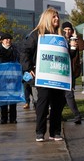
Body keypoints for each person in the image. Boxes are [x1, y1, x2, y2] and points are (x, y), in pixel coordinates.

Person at [20, 7, 66, 142]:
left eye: (57, 16)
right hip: (43, 76)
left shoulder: (60, 37)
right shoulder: (36, 35)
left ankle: (55, 132)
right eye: (54, 17)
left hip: (58, 75)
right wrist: (28, 68)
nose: (57, 19)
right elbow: (25, 52)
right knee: (43, 103)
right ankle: (40, 132)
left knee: (58, 104)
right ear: (47, 18)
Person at [61, 22, 84, 124]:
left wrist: (76, 37)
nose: (67, 32)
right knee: (63, 95)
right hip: (61, 70)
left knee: (68, 94)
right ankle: (59, 114)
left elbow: (83, 46)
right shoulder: (60, 40)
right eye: (65, 30)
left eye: (69, 30)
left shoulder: (74, 39)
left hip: (70, 72)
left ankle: (77, 115)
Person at [0, 33, 19, 124]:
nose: (8, 41)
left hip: (12, 77)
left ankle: (13, 118)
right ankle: (3, 118)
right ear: (2, 41)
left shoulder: (15, 50)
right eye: (6, 39)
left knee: (13, 98)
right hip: (1, 78)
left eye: (9, 39)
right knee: (3, 98)